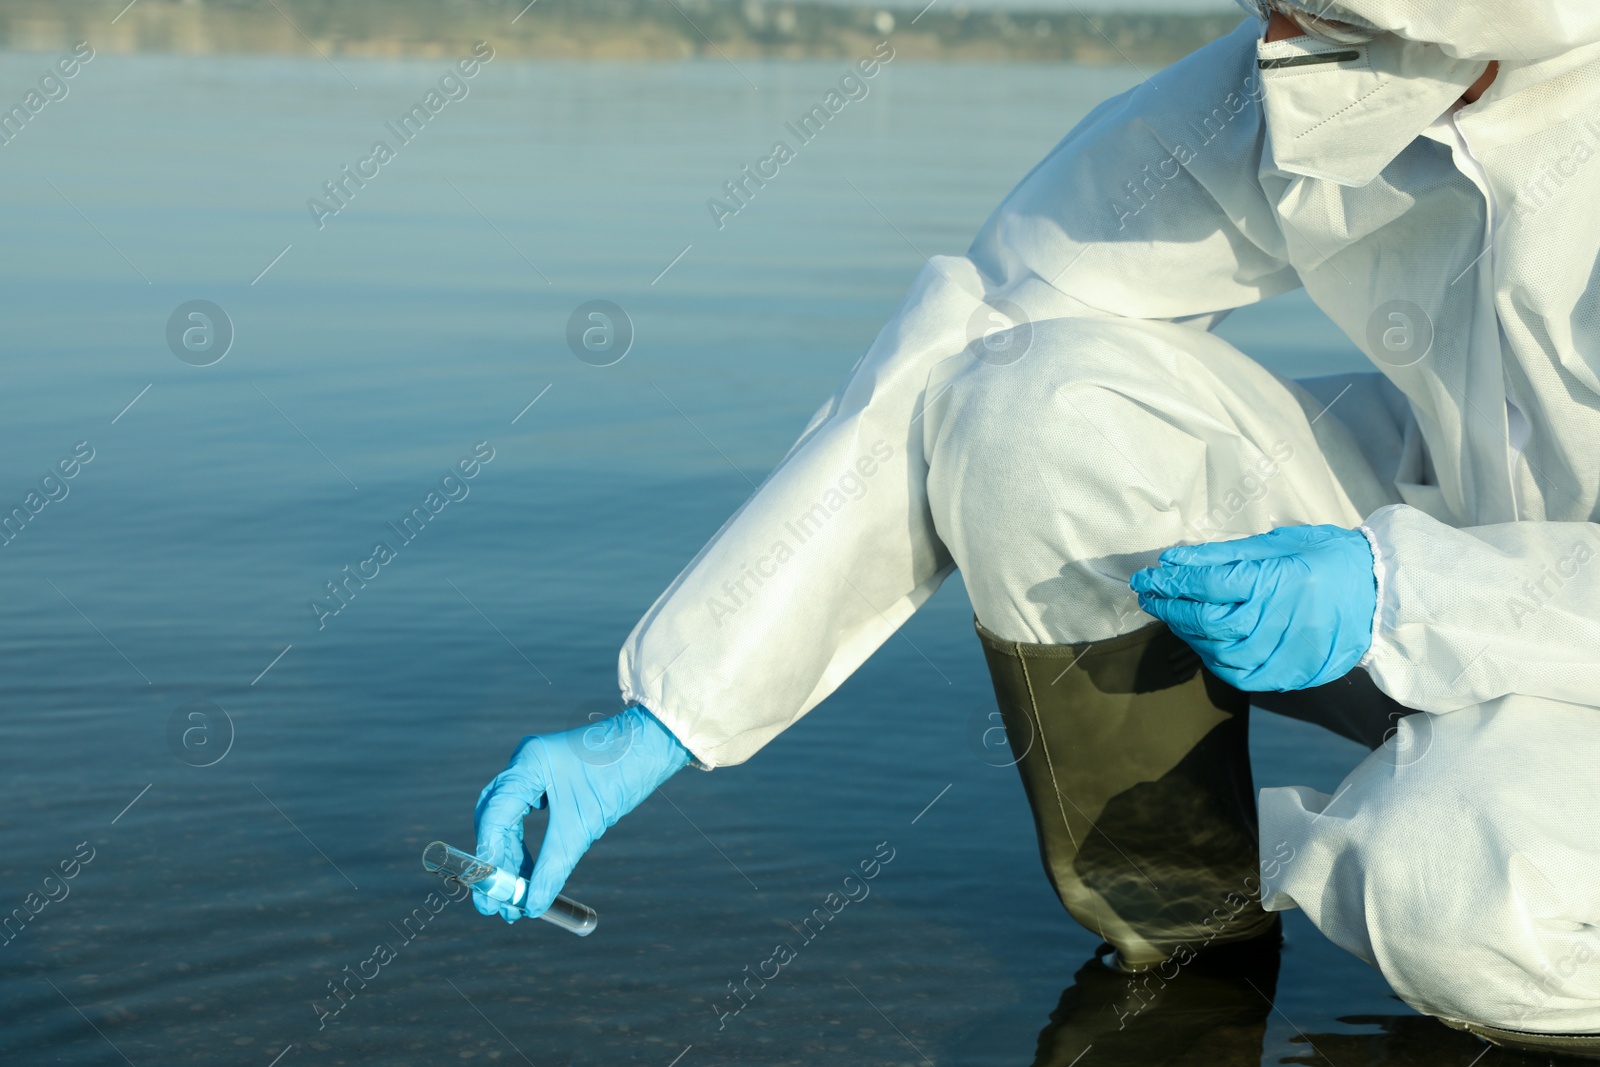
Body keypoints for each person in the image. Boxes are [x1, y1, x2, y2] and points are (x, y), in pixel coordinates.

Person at [473, 0, 1600, 1051]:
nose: (1276, 34)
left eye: (1315, 6)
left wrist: (1405, 595)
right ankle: (1180, 931)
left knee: (1453, 888)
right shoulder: (1317, 78)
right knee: (1026, 398)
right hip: (1442, 554)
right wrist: (669, 710)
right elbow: (987, 320)